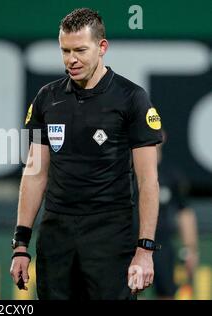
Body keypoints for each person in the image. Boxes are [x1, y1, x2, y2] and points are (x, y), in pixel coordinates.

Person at [9, 8, 163, 300]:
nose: (71, 59)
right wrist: (20, 245)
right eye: (65, 51)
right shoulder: (47, 98)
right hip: (56, 235)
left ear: (102, 47)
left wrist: (145, 250)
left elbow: (148, 181)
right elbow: (34, 172)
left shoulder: (131, 98)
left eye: (80, 50)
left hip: (111, 235)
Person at [152, 132, 198, 299]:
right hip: (132, 245)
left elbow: (184, 212)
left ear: (163, 136)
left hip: (163, 246)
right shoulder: (129, 170)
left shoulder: (171, 175)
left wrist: (190, 249)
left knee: (167, 293)